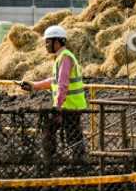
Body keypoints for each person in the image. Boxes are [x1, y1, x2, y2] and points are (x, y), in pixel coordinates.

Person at [18, 25, 86, 160]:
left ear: (58, 41)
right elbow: (55, 81)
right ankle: (54, 159)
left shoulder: (65, 58)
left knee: (71, 136)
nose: (46, 45)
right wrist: (34, 85)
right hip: (67, 106)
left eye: (48, 42)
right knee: (53, 131)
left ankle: (71, 162)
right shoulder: (61, 57)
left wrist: (57, 108)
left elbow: (63, 85)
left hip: (70, 107)